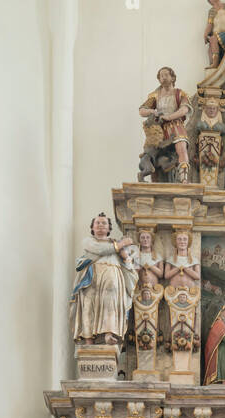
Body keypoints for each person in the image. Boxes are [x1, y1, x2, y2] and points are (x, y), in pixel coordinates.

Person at [70, 213, 137, 345]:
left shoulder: (114, 243)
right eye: (98, 223)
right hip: (91, 275)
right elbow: (99, 249)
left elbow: (126, 260)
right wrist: (120, 244)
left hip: (112, 273)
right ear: (93, 227)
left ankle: (108, 334)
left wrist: (127, 258)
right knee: (88, 304)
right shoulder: (89, 241)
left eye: (104, 223)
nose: (101, 225)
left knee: (110, 302)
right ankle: (88, 338)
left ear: (109, 228)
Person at [139, 68, 192, 183]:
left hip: (176, 125)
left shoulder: (180, 93)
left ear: (173, 77)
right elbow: (142, 110)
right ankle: (156, 177)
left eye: (166, 75)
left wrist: (168, 117)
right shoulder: (155, 95)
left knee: (181, 148)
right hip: (160, 129)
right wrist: (152, 112)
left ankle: (183, 178)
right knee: (155, 154)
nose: (163, 77)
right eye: (161, 76)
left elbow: (184, 109)